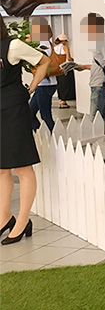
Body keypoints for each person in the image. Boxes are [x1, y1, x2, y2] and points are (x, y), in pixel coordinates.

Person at [0, 15, 50, 245]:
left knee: (22, 166)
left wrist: (31, 87)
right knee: (1, 170)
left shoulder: (13, 45)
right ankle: (4, 218)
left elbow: (44, 61)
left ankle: (22, 221)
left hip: (13, 110)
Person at [77, 13, 105, 120]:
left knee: (95, 118)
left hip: (101, 84)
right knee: (98, 117)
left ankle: (99, 136)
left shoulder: (103, 41)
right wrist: (83, 67)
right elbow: (100, 64)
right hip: (97, 84)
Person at [29, 17, 57, 132]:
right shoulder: (47, 43)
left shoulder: (41, 44)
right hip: (47, 84)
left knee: (45, 115)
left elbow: (40, 62)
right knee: (30, 112)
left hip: (44, 84)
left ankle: (55, 137)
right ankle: (39, 133)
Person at [54, 34, 76, 108]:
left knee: (60, 84)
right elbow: (68, 58)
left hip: (58, 69)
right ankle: (65, 99)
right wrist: (72, 60)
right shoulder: (65, 47)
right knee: (67, 84)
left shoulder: (54, 48)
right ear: (63, 40)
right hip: (65, 68)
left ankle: (61, 100)